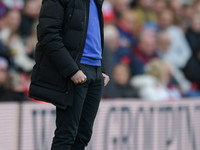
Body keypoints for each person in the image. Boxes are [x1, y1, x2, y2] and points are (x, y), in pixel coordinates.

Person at [28, 0, 109, 150]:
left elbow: (92, 34)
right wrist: (72, 70)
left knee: (82, 136)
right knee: (66, 136)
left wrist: (101, 67)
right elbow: (48, 35)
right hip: (76, 70)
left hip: (95, 70)